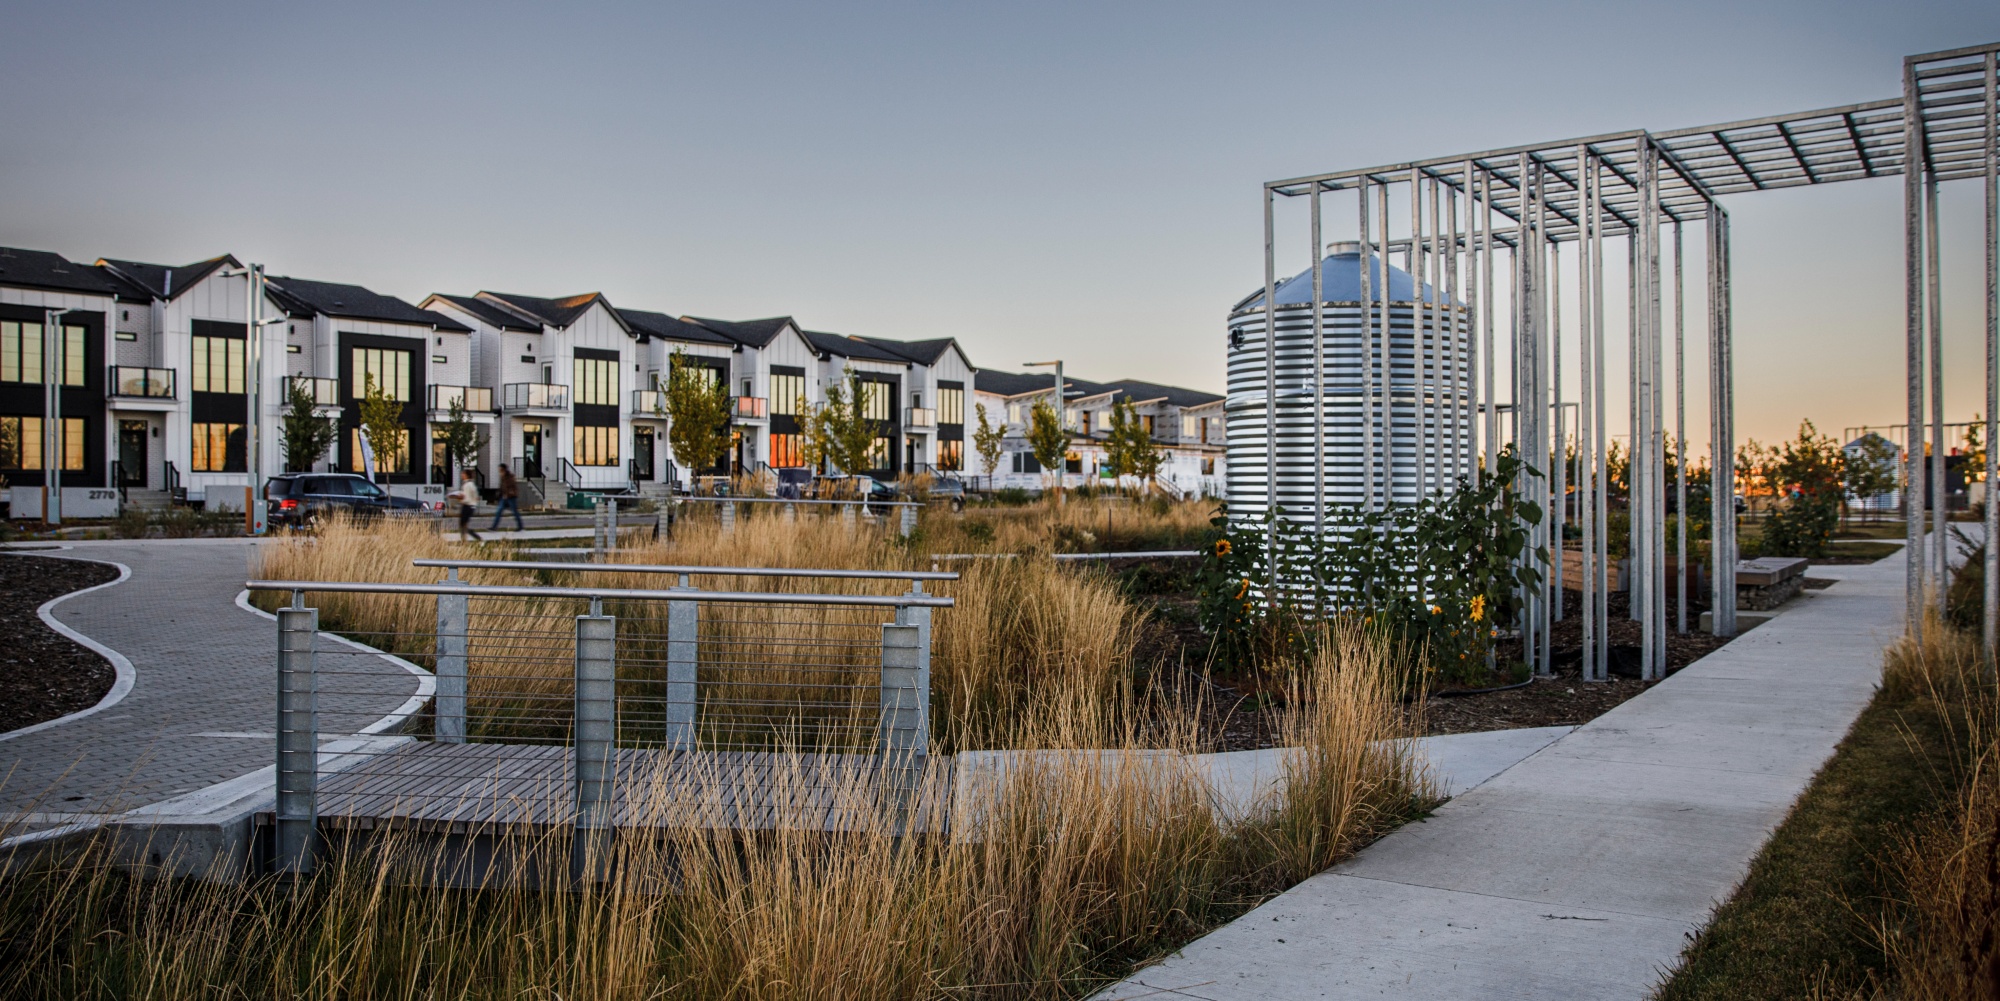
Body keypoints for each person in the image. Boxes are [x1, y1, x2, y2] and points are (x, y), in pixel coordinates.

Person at [490, 463, 524, 531]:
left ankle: (520, 526)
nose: (499, 471)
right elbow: (502, 487)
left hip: (511, 497)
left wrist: (508, 494)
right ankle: (494, 527)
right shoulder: (502, 477)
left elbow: (512, 487)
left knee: (515, 512)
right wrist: (498, 494)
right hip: (504, 497)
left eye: (500, 470)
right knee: (499, 512)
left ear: (504, 470)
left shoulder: (509, 477)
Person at [451, 470, 482, 541]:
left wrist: (458, 497)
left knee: (463, 524)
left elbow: (466, 499)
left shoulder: (467, 485)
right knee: (464, 524)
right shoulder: (471, 484)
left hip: (467, 506)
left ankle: (475, 538)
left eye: (463, 474)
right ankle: (466, 539)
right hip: (471, 506)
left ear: (467, 475)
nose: (462, 475)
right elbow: (475, 496)